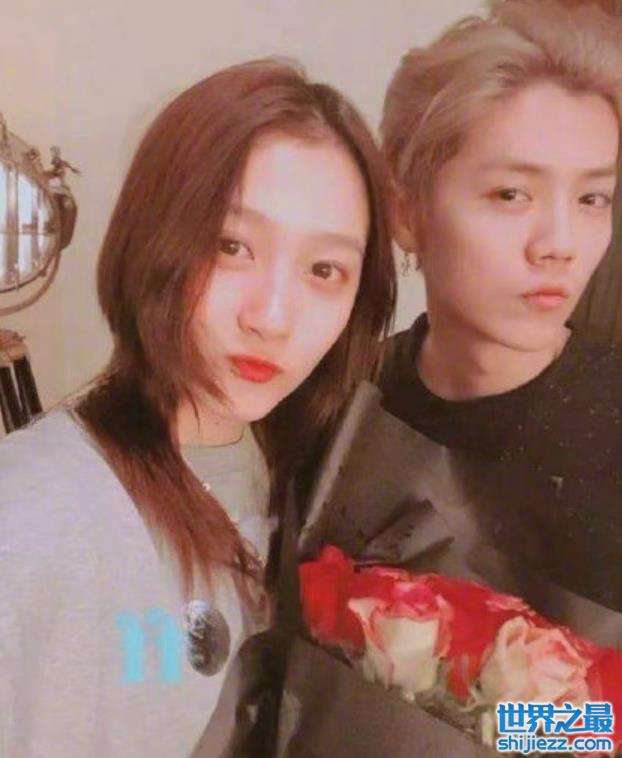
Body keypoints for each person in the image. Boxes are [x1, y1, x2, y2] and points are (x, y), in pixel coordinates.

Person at [0, 59, 396, 757]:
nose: (272, 317)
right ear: (154, 238)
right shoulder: (32, 514)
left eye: (323, 270)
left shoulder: (331, 488)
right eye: (230, 246)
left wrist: (565, 727)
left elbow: (559, 728)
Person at [380, 0, 622, 609]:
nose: (560, 245)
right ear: (405, 211)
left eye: (593, 199)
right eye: (512, 194)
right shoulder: (336, 400)